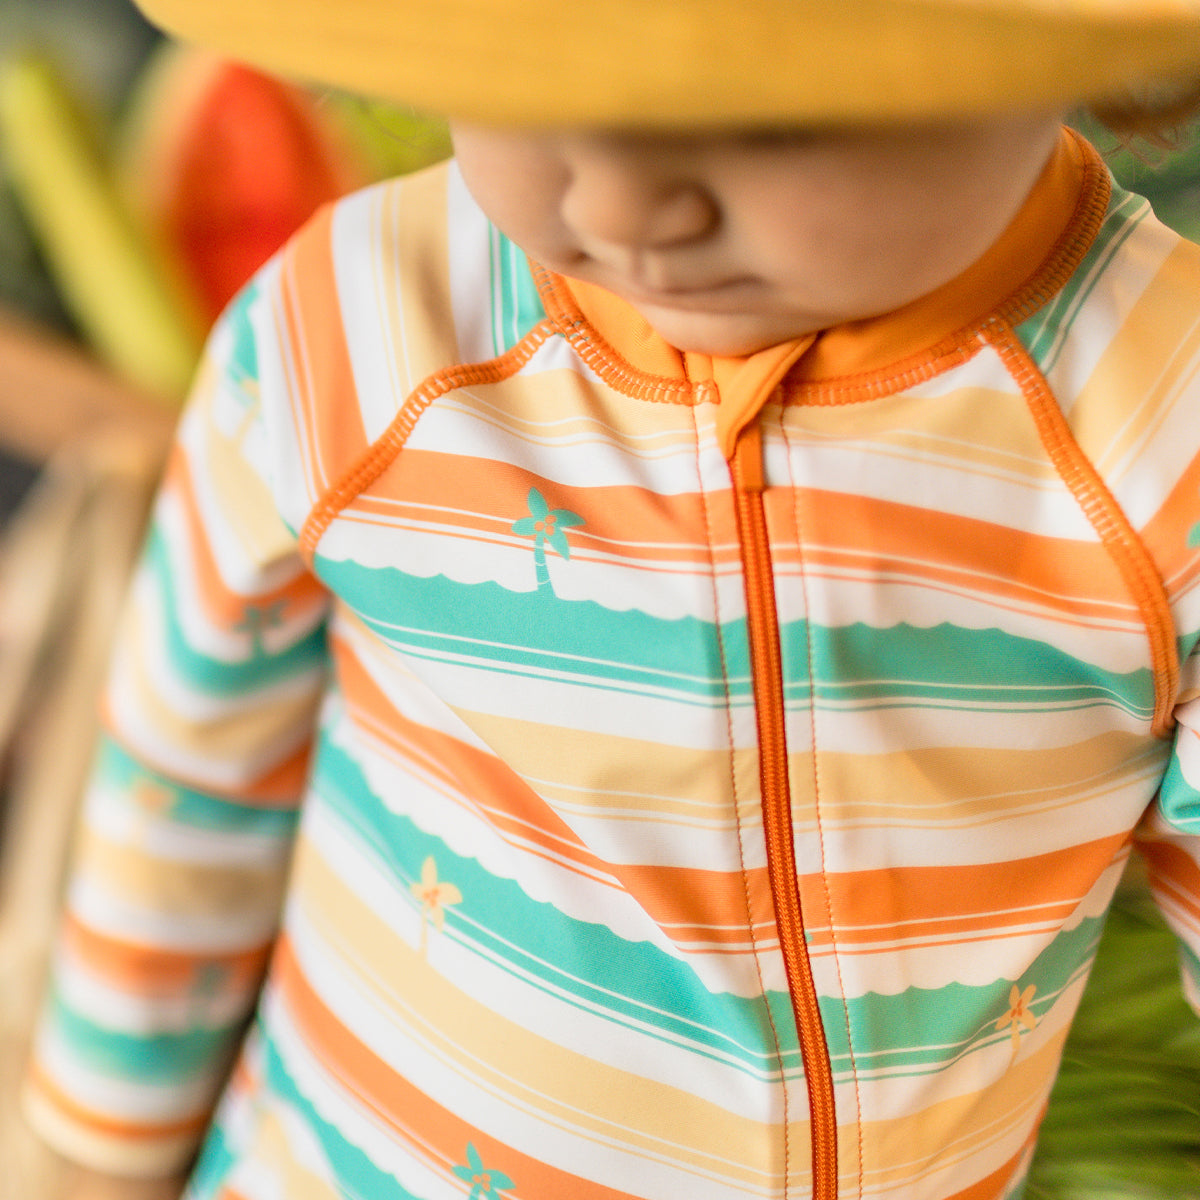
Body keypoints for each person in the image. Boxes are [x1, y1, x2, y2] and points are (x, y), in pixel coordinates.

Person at [19, 1, 1200, 1197]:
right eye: (532, 86)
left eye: (766, 119)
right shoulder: (360, 323)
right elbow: (188, 775)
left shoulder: (1167, 424)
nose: (620, 209)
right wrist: (90, 1157)